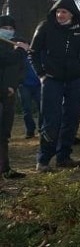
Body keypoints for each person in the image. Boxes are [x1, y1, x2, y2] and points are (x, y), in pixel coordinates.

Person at [30, 0, 80, 172]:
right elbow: (33, 54)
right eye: (57, 11)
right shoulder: (45, 27)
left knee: (72, 118)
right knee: (51, 120)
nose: (60, 15)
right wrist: (41, 75)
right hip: (51, 80)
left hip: (74, 80)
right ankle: (43, 160)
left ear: (71, 14)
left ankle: (64, 156)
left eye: (63, 12)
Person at [0, 16, 28, 178]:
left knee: (4, 133)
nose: (8, 31)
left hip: (9, 93)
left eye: (11, 29)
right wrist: (19, 51)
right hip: (3, 91)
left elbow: (19, 70)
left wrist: (13, 86)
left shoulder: (14, 47)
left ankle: (5, 168)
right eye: (5, 28)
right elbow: (5, 61)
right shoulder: (13, 51)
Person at [18, 39, 40, 139]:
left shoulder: (36, 53)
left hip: (38, 85)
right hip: (24, 86)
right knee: (26, 109)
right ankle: (30, 130)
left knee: (42, 108)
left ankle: (42, 128)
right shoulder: (18, 56)